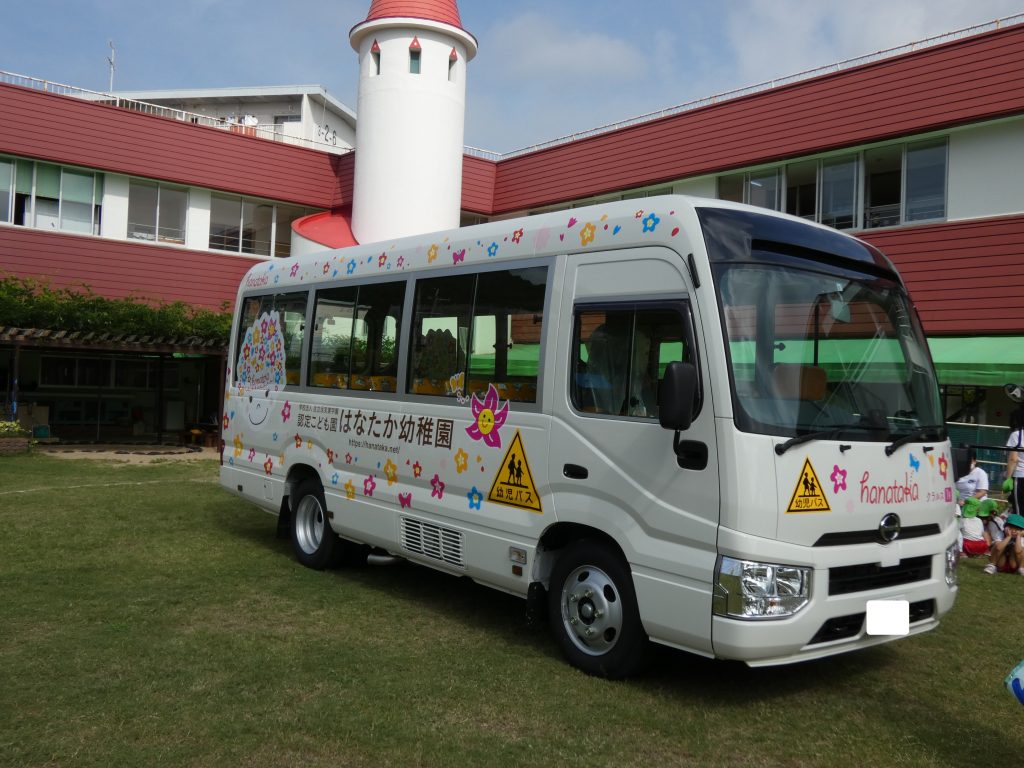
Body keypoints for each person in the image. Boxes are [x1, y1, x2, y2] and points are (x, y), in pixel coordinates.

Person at [1005, 409, 1024, 517]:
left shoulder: (1016, 435)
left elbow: (1013, 458)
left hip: (1020, 476)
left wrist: (1008, 478)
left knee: (1019, 510)